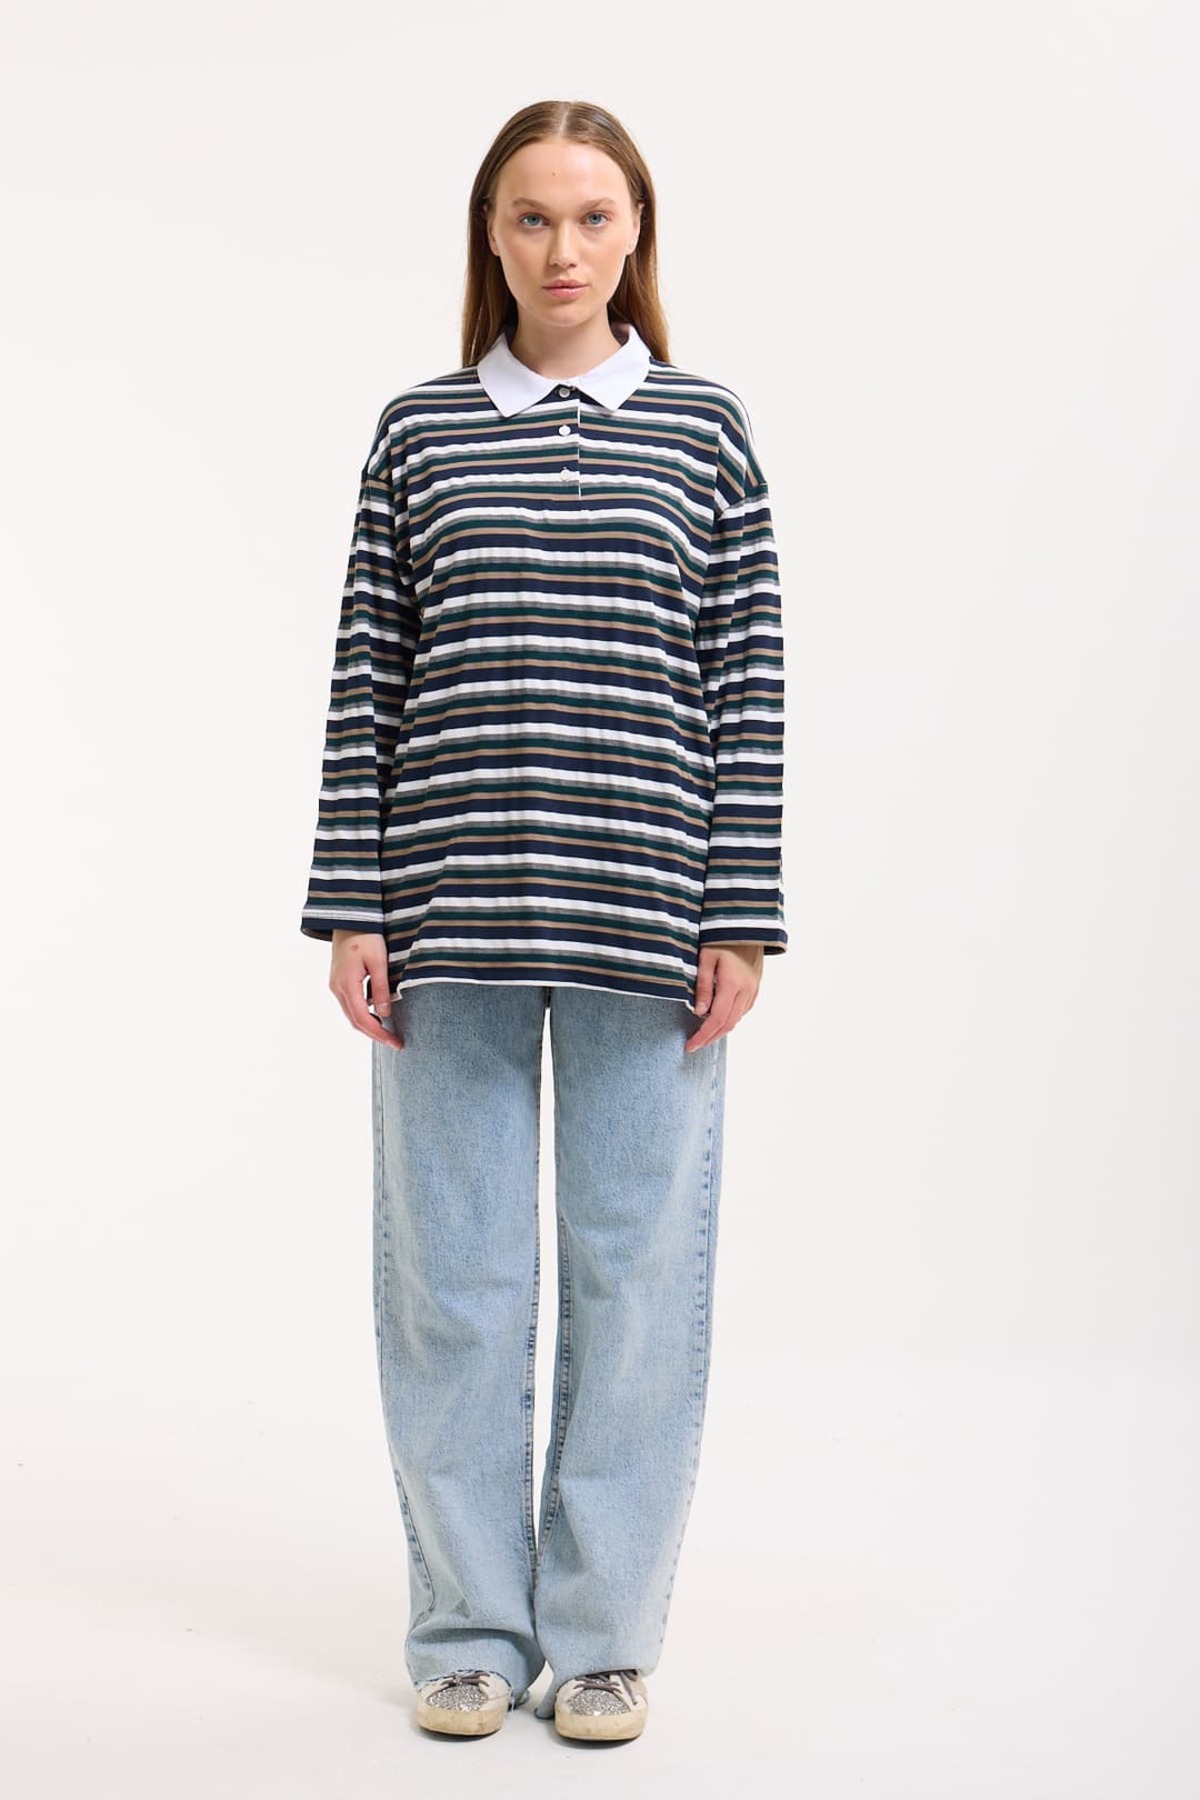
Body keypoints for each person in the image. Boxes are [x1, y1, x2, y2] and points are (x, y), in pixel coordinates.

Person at [300, 98, 787, 1745]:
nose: (563, 248)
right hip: (448, 922)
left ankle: (602, 1637)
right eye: (531, 217)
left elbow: (745, 683)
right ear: (490, 236)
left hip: (655, 921)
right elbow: (370, 675)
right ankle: (465, 1630)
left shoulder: (704, 431)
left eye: (592, 216)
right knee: (455, 1283)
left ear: (635, 232)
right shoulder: (420, 432)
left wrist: (742, 913)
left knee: (636, 1283)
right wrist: (352, 906)